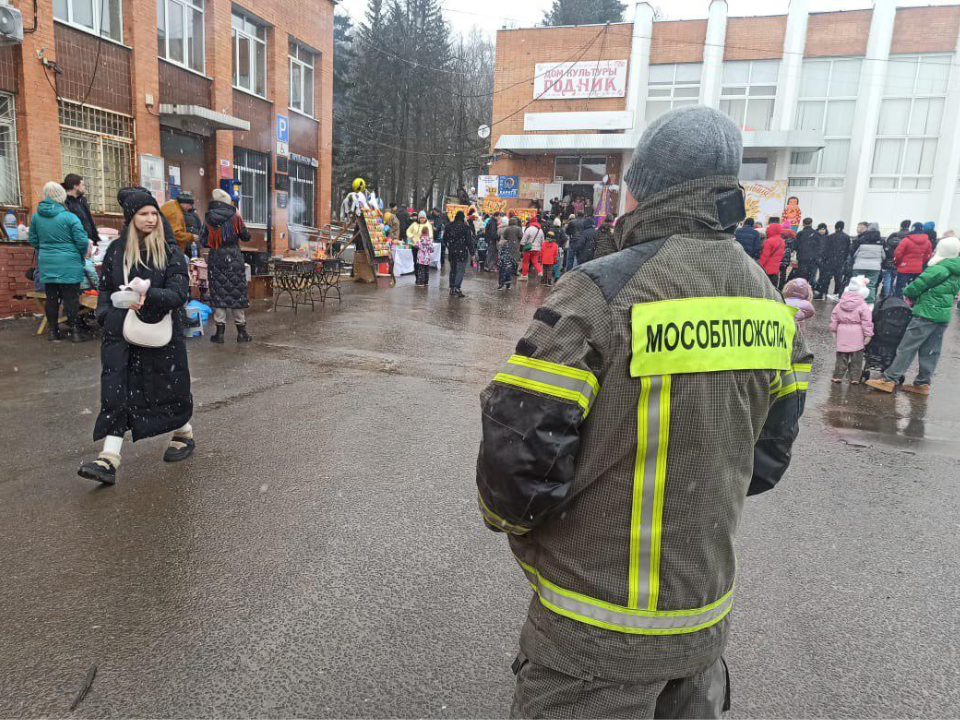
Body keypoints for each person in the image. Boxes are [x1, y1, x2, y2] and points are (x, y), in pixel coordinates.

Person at [476, 106, 812, 719]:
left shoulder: (603, 290)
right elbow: (765, 462)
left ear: (643, 188)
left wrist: (532, 531)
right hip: (700, 631)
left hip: (590, 641)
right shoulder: (770, 304)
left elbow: (517, 462)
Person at [77, 189, 194, 485]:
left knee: (164, 389)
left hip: (160, 333)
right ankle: (109, 459)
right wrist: (104, 314)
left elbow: (180, 293)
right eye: (144, 214)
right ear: (131, 219)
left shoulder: (170, 251)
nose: (151, 219)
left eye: (154, 213)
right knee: (117, 393)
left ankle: (183, 433)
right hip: (119, 333)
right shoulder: (117, 250)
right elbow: (105, 288)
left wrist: (147, 295)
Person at [866, 235, 960, 396]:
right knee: (931, 350)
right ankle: (922, 383)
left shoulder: (939, 268)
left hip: (926, 313)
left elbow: (917, 286)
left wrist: (908, 293)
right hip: (942, 315)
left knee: (907, 347)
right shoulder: (955, 269)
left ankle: (890, 379)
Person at [28, 181, 91, 343]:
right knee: (71, 298)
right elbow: (82, 241)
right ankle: (75, 331)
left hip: (47, 264)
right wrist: (81, 254)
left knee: (51, 298)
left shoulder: (36, 217)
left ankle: (53, 332)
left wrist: (47, 250)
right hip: (70, 263)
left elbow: (33, 241)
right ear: (61, 196)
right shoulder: (70, 217)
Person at [203, 188, 253, 343]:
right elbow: (246, 237)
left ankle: (219, 334)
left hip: (216, 258)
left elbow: (204, 241)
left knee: (219, 293)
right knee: (236, 292)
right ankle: (242, 333)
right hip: (233, 259)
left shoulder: (209, 217)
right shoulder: (235, 215)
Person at [830, 276, 874, 384]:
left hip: (842, 332)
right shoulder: (863, 305)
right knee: (856, 358)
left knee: (841, 356)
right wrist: (868, 335)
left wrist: (834, 330)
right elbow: (867, 321)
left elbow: (834, 317)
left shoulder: (840, 303)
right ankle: (855, 377)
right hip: (857, 333)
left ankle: (838, 376)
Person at [893, 222, 934, 298]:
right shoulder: (928, 242)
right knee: (914, 288)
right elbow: (928, 255)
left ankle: (899, 304)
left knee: (900, 288)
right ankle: (911, 304)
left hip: (904, 269)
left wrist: (897, 263)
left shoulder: (906, 240)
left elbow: (897, 254)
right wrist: (920, 262)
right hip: (918, 269)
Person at [850, 222, 885, 304]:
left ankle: (855, 301)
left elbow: (853, 253)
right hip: (874, 267)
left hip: (859, 266)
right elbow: (884, 256)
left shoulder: (861, 240)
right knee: (871, 285)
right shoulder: (881, 241)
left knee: (857, 284)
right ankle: (868, 302)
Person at [62, 173, 100, 245]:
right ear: (75, 186)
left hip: (89, 243)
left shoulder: (82, 200)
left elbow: (89, 221)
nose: (84, 187)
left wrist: (96, 240)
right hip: (76, 245)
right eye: (82, 185)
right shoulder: (65, 203)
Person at [818, 221, 851, 299]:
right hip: (840, 261)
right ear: (843, 227)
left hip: (830, 260)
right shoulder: (846, 237)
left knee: (826, 278)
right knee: (838, 278)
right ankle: (836, 294)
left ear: (835, 227)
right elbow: (847, 250)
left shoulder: (830, 237)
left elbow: (825, 249)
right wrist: (844, 259)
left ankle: (823, 293)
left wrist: (824, 259)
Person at [443, 210, 473, 298]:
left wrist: (448, 246)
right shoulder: (466, 228)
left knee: (453, 270)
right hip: (462, 251)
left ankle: (452, 287)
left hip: (452, 251)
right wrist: (472, 252)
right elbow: (469, 241)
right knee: (460, 270)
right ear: (463, 218)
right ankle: (457, 287)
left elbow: (444, 238)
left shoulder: (448, 226)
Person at [882, 220, 911, 299]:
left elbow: (884, 251)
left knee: (887, 281)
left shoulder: (890, 239)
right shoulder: (909, 237)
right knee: (898, 282)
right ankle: (896, 297)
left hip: (887, 263)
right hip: (900, 264)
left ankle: (886, 296)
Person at [497, 216, 523, 291]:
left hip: (508, 247)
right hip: (515, 247)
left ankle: (502, 283)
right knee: (513, 262)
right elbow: (521, 236)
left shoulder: (507, 228)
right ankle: (510, 280)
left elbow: (505, 236)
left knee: (506, 264)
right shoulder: (518, 228)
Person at [794, 218, 821, 284]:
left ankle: (801, 291)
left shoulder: (800, 234)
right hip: (813, 259)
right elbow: (820, 247)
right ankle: (810, 291)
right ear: (811, 223)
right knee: (812, 277)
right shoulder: (817, 234)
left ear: (803, 224)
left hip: (802, 259)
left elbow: (795, 246)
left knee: (801, 277)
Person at [759, 221, 786, 287]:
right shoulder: (782, 241)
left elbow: (764, 256)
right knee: (772, 287)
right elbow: (781, 255)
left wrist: (759, 265)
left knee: (764, 287)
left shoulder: (769, 241)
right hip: (775, 270)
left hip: (766, 270)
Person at [519, 216, 544, 281]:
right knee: (535, 262)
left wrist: (522, 244)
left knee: (525, 262)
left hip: (528, 249)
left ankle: (524, 275)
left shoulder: (529, 229)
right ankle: (540, 271)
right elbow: (542, 241)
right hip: (537, 249)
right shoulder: (540, 230)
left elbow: (524, 239)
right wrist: (540, 248)